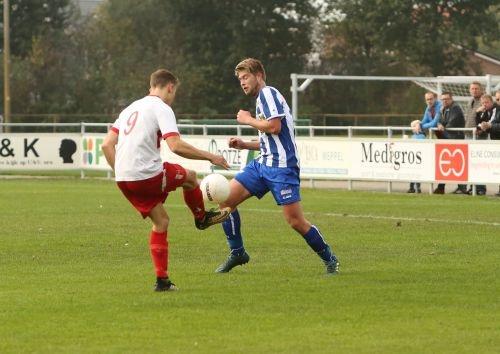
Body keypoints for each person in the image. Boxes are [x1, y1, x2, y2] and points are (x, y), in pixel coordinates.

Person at [101, 69, 231, 292]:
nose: (173, 96)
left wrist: (121, 171)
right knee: (190, 178)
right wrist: (212, 157)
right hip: (146, 174)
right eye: (175, 91)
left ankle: (162, 281)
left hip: (123, 179)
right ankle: (202, 218)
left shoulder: (130, 108)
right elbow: (175, 145)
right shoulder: (162, 108)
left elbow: (106, 145)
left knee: (161, 221)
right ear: (170, 87)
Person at [214, 58, 339, 275]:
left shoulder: (268, 93)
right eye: (240, 79)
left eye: (246, 77)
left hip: (282, 168)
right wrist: (244, 144)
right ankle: (237, 252)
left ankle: (330, 259)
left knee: (295, 221)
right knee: (226, 201)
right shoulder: (262, 99)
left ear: (259, 76)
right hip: (262, 164)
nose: (243, 83)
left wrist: (247, 119)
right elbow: (270, 139)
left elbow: (274, 126)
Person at [433, 92, 466, 195]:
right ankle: (441, 187)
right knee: (446, 165)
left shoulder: (455, 108)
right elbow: (439, 122)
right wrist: (439, 124)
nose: (444, 101)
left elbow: (452, 123)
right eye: (443, 99)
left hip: (456, 140)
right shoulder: (444, 109)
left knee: (457, 164)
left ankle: (462, 188)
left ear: (451, 99)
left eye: (446, 99)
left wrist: (442, 126)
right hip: (448, 139)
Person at [407, 120, 426, 193]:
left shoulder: (421, 136)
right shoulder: (414, 136)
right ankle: (412, 187)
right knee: (412, 172)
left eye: (414, 127)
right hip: (413, 157)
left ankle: (417, 187)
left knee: (417, 173)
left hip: (418, 157)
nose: (412, 129)